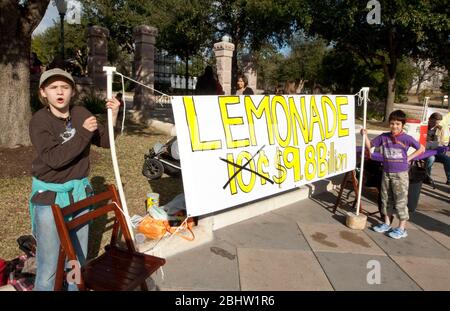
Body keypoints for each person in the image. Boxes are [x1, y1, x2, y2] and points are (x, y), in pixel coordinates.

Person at [29, 68, 120, 290]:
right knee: (49, 264)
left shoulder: (80, 113)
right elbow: (54, 159)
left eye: (65, 87)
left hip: (80, 194)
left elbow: (106, 142)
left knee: (76, 258)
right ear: (43, 93)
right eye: (53, 87)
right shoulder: (39, 121)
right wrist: (83, 134)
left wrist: (114, 116)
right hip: (50, 198)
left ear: (72, 92)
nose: (59, 92)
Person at [361, 110, 425, 239]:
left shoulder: (406, 138)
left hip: (400, 174)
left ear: (402, 125)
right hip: (386, 173)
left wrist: (409, 158)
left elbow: (421, 148)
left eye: (397, 124)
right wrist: (365, 136)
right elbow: (370, 146)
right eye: (392, 123)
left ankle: (402, 228)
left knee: (400, 200)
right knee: (386, 199)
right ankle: (387, 223)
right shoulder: (384, 137)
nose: (394, 126)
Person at [424, 112, 450, 185]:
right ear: (430, 119)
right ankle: (427, 177)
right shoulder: (423, 127)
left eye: (438, 123)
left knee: (447, 159)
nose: (436, 125)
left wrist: (443, 142)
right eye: (434, 122)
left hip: (435, 151)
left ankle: (449, 180)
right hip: (424, 152)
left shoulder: (440, 129)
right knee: (431, 158)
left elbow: (442, 142)